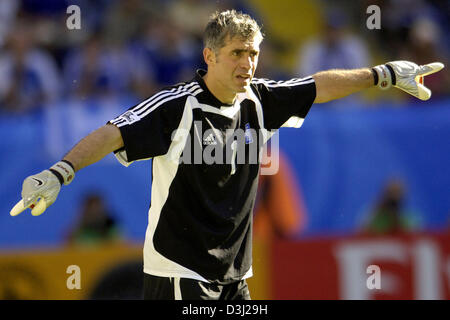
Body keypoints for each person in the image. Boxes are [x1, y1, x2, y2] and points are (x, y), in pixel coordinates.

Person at [10, 10, 444, 300]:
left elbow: (318, 85)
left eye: (253, 54)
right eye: (237, 53)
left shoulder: (259, 101)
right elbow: (112, 134)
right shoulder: (176, 107)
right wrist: (60, 171)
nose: (248, 64)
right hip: (179, 274)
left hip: (235, 279)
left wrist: (382, 73)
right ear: (210, 56)